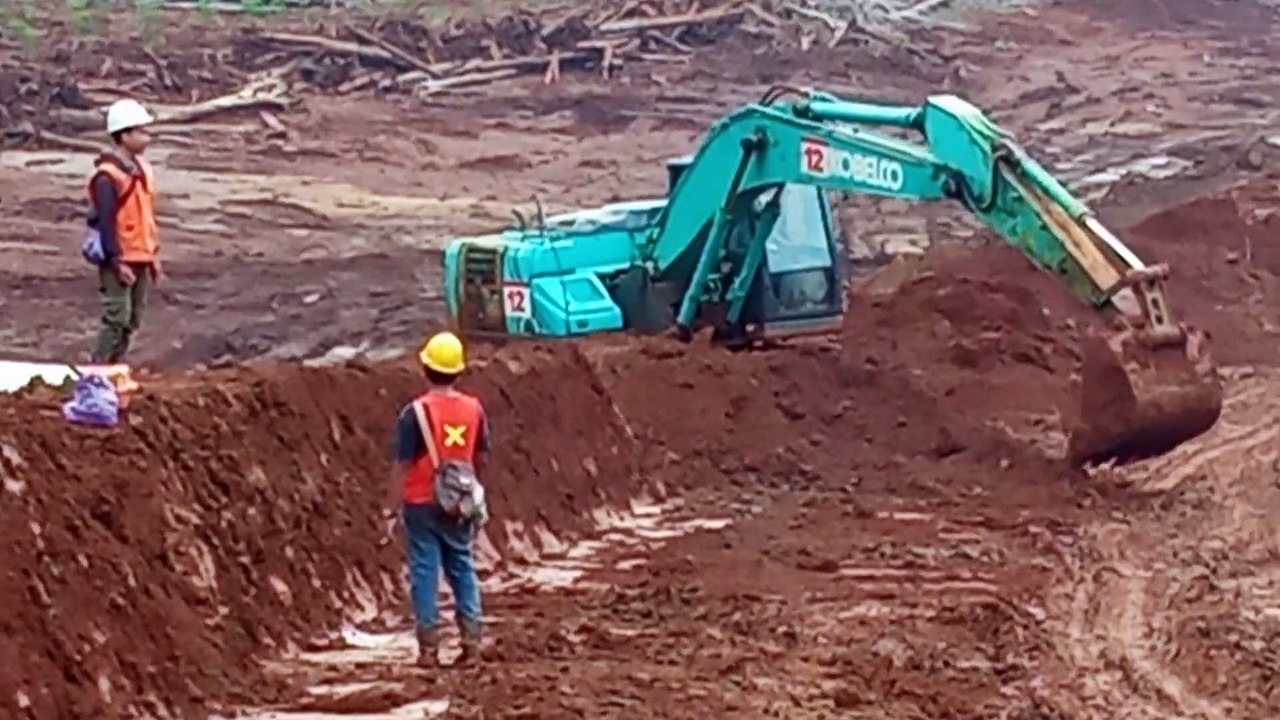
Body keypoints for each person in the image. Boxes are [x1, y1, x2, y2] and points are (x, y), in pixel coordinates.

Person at [386, 331, 491, 668]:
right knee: (462, 566)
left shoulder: (413, 413)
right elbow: (482, 455)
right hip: (460, 502)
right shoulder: (474, 409)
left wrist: (391, 506)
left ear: (426, 368)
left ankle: (429, 649)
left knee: (425, 571)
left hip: (420, 501)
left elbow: (402, 464)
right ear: (459, 371)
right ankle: (472, 643)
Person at [87, 98, 164, 364]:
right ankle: (97, 373)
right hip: (119, 257)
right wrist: (116, 260)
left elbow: (145, 216)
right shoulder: (108, 177)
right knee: (116, 315)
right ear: (124, 134)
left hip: (140, 254)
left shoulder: (142, 170)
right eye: (141, 131)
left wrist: (152, 254)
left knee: (132, 319)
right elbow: (107, 222)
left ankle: (113, 368)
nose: (147, 137)